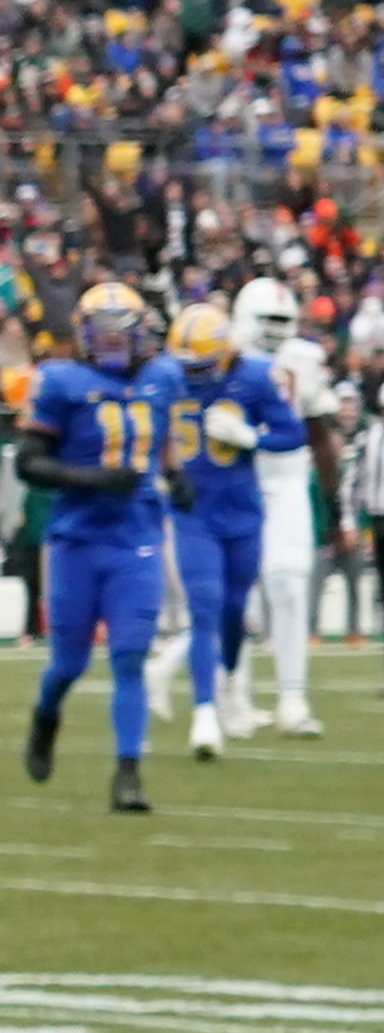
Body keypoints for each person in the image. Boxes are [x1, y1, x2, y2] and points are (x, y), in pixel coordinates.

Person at [18, 285, 179, 814]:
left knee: (130, 657)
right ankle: (47, 716)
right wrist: (90, 478)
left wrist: (176, 475)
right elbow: (28, 463)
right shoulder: (60, 381)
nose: (111, 341)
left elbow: (164, 436)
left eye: (120, 330)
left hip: (136, 537)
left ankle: (128, 773)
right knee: (69, 662)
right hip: (77, 538)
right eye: (101, 330)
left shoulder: (162, 377)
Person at [157, 302, 302, 762]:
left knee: (236, 612)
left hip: (242, 511)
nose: (192, 373)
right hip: (193, 512)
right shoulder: (165, 377)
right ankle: (204, 714)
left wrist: (251, 437)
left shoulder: (254, 377)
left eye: (201, 363)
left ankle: (229, 683)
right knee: (204, 610)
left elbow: (293, 432)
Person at [229, 278, 337, 738]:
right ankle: (235, 695)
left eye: (282, 320)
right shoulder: (221, 351)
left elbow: (320, 427)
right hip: (236, 480)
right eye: (266, 320)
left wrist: (334, 502)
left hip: (288, 477)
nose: (274, 330)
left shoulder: (304, 359)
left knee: (290, 585)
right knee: (238, 597)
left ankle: (293, 697)